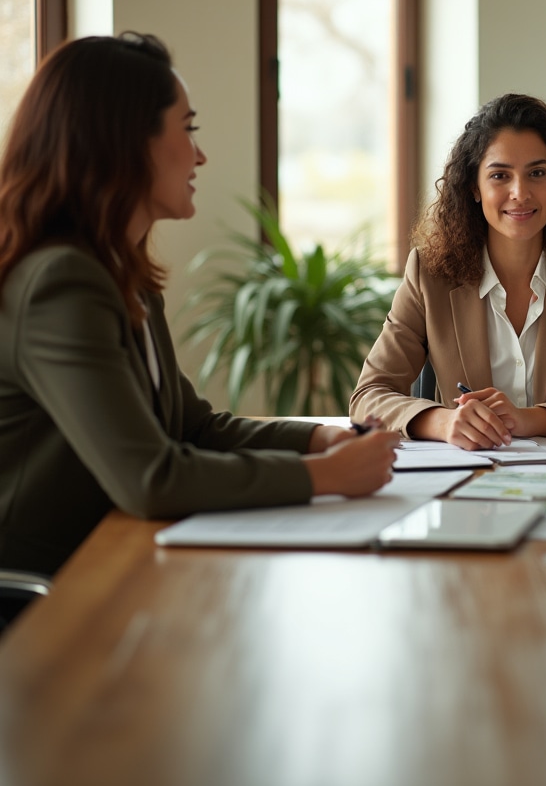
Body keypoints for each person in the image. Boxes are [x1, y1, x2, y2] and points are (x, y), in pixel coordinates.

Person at [0, 34, 399, 579]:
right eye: (187, 130)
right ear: (123, 143)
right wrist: (325, 477)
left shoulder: (124, 275)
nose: (200, 154)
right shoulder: (60, 284)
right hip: (44, 598)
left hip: (116, 561)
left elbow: (193, 428)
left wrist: (317, 439)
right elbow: (150, 478)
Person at [350, 92, 546, 449]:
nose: (520, 193)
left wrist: (531, 418)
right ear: (474, 188)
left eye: (537, 173)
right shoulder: (428, 273)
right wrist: (444, 421)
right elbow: (368, 396)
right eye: (499, 175)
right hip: (469, 480)